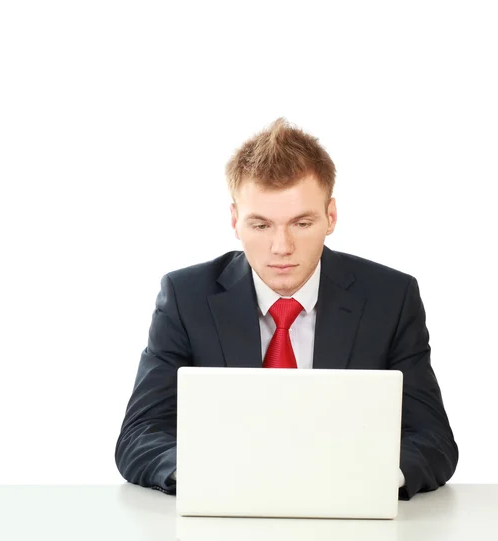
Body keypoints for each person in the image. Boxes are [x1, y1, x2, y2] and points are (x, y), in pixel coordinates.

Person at [114, 118, 458, 500]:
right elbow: (139, 435)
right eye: (260, 225)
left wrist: (368, 481)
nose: (281, 247)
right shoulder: (185, 297)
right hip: (225, 511)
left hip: (348, 516)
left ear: (331, 216)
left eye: (302, 222)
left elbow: (433, 439)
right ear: (234, 221)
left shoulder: (391, 298)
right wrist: (209, 478)